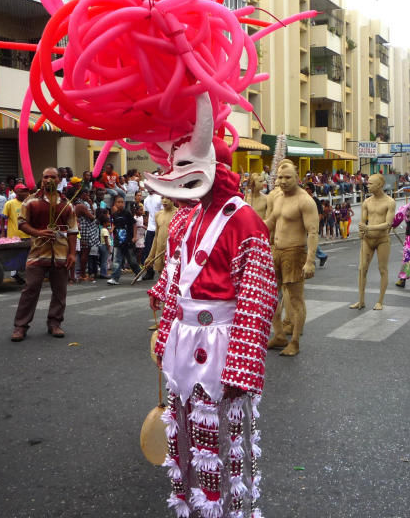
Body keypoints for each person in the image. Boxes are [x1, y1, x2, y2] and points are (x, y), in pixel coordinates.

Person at [148, 95, 278, 517]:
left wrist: (242, 364)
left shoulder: (244, 221)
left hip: (220, 339)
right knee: (184, 429)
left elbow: (257, 298)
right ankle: (192, 506)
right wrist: (162, 333)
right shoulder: (184, 219)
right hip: (183, 338)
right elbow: (171, 283)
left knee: (223, 435)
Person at [10, 167, 78, 342]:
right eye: (45, 177)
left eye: (53, 177)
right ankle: (20, 326)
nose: (49, 180)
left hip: (61, 254)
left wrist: (72, 253)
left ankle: (55, 324)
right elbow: (22, 223)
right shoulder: (31, 201)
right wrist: (39, 233)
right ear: (42, 179)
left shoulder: (67, 204)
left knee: (60, 291)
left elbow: (72, 231)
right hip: (38, 253)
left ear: (59, 179)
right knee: (30, 289)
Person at [265, 160, 319, 357]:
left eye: (288, 177)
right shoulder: (278, 199)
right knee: (270, 297)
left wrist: (310, 261)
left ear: (297, 178)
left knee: (296, 300)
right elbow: (270, 222)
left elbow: (313, 232)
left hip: (295, 252)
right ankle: (279, 335)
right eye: (280, 177)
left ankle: (295, 341)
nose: (283, 181)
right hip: (276, 251)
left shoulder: (304, 201)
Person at [349, 173, 396, 310]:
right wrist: (361, 231)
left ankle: (380, 301)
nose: (367, 185)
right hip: (368, 239)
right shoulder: (367, 202)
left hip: (382, 239)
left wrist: (368, 227)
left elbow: (388, 224)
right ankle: (361, 300)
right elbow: (363, 221)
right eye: (367, 183)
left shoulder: (389, 202)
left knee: (382, 269)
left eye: (370, 183)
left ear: (380, 185)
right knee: (362, 268)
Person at [107, 196, 141, 285]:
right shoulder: (114, 215)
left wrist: (134, 237)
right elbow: (114, 224)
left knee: (132, 260)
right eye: (118, 202)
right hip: (118, 241)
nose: (120, 204)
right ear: (115, 203)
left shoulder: (127, 213)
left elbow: (134, 225)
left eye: (122, 202)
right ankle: (115, 278)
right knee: (116, 261)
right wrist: (112, 230)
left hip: (128, 241)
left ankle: (139, 273)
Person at [141, 190, 162, 280]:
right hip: (150, 228)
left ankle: (162, 272)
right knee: (148, 251)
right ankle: (149, 271)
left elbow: (163, 212)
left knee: (161, 249)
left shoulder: (159, 197)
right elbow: (147, 213)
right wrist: (146, 223)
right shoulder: (146, 200)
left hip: (160, 226)